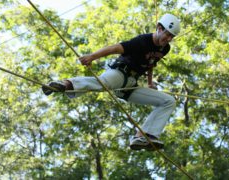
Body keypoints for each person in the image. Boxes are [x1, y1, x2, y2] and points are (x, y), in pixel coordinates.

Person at [42, 14, 180, 151]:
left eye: (171, 37)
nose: (168, 39)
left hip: (130, 85)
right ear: (159, 28)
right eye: (167, 34)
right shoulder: (142, 41)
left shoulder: (165, 48)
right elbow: (115, 48)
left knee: (169, 101)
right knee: (103, 83)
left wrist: (150, 83)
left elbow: (151, 63)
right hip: (120, 73)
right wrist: (92, 56)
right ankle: (65, 84)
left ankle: (144, 136)